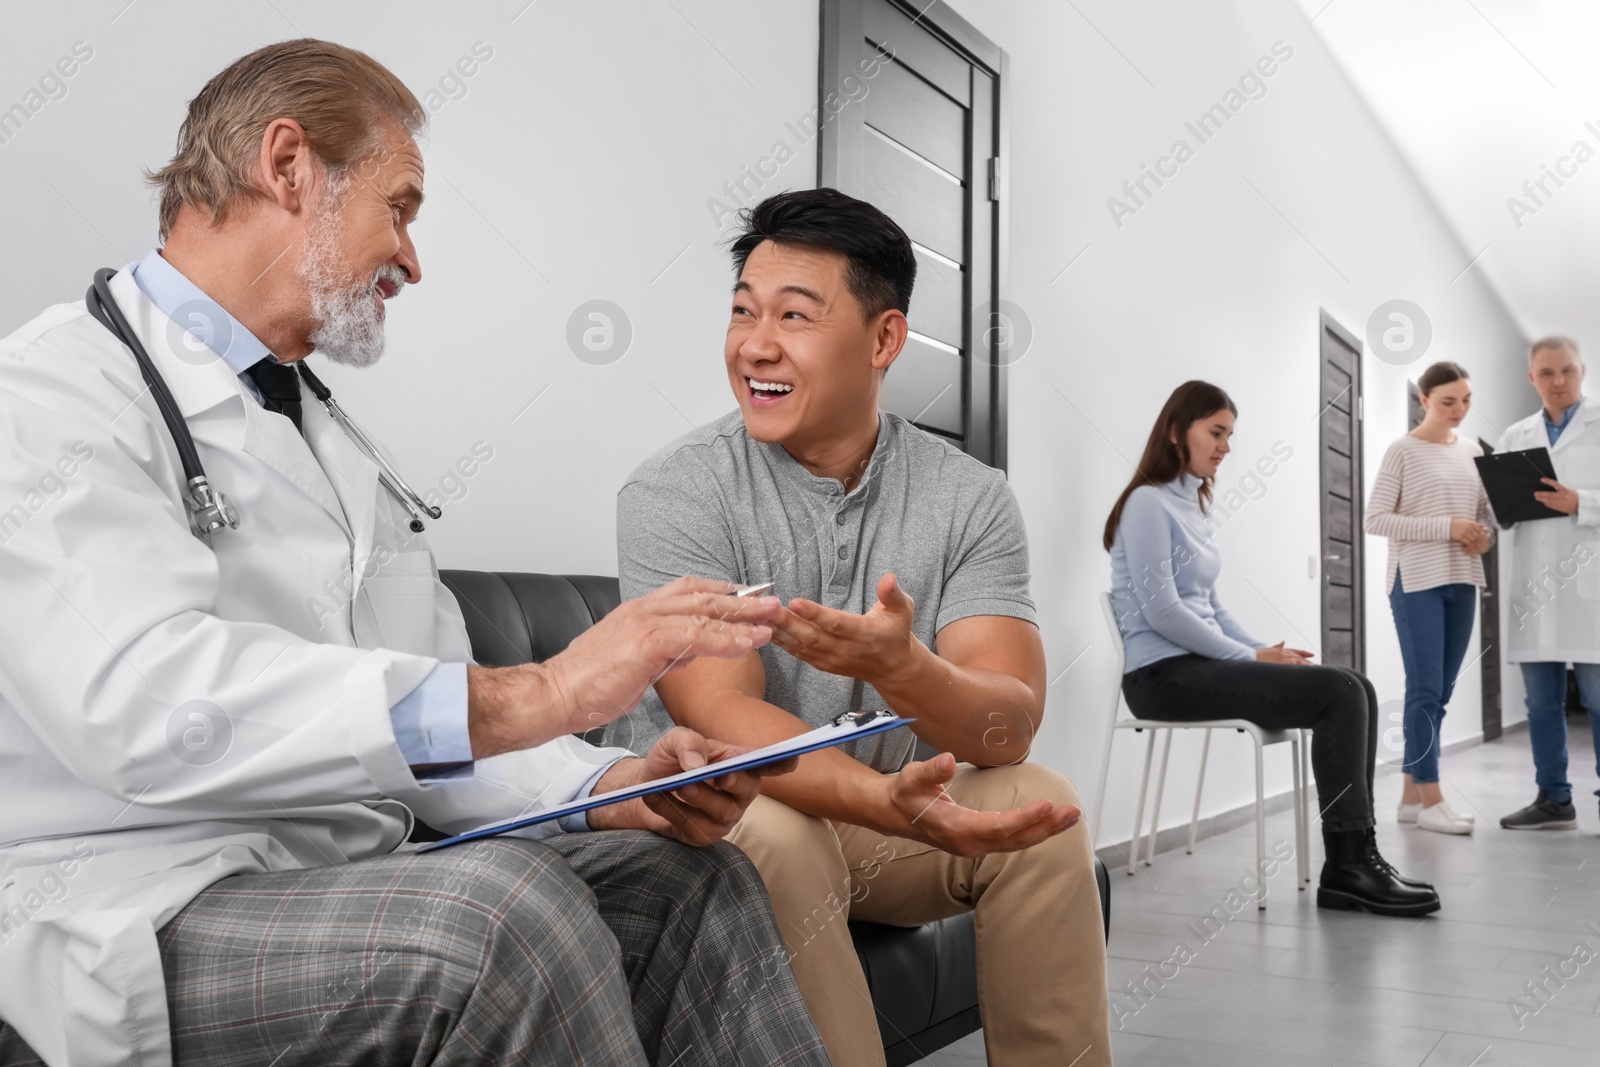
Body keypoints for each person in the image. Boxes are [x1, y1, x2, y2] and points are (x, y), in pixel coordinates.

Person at [0, 41, 828, 1067]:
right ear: (290, 166)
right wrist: (547, 687)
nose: (412, 257)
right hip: (138, 893)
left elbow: (435, 725)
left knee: (687, 883)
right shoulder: (48, 393)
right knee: (499, 923)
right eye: (401, 206)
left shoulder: (323, 434)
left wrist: (614, 779)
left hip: (334, 874)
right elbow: (140, 703)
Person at [609, 188, 1111, 1067]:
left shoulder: (970, 499)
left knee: (1046, 810)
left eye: (794, 316)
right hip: (714, 820)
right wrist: (887, 800)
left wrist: (909, 669)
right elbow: (724, 721)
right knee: (779, 828)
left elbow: (1006, 724)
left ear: (884, 340)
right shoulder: (677, 492)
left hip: (878, 822)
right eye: (742, 312)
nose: (755, 344)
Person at [1108, 380, 1439, 917]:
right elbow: (1161, 613)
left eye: (1230, 435)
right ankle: (1348, 867)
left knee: (1357, 684)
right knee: (1336, 692)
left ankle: (1360, 856)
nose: (1226, 446)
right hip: (1158, 678)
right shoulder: (1147, 503)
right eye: (1216, 432)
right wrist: (1249, 659)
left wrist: (1263, 649)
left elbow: (1211, 609)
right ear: (1175, 431)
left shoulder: (1193, 506)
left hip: (1194, 666)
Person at [1364, 361, 1492, 836]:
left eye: (1465, 401)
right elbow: (1374, 519)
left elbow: (1480, 520)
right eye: (1447, 401)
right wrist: (1446, 528)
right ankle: (1433, 799)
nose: (1458, 410)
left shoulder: (1474, 453)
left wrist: (1482, 539)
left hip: (1462, 578)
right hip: (1414, 579)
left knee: (1441, 692)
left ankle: (1409, 797)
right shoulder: (1403, 451)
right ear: (1423, 401)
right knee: (1423, 688)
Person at [1494, 336, 1600, 830]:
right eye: (1547, 373)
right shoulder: (1516, 435)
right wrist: (1500, 510)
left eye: (1568, 371)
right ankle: (1554, 799)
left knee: (1598, 700)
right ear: (1531, 378)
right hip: (1534, 589)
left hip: (1588, 587)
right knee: (1540, 702)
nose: (1558, 382)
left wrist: (1583, 501)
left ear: (1583, 371)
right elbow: (1499, 510)